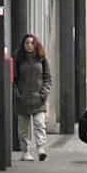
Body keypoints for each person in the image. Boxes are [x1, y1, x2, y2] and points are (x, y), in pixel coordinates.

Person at [13, 34, 53, 162]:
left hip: (38, 98)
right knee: (23, 128)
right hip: (23, 98)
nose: (29, 45)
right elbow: (13, 79)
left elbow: (48, 78)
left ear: (35, 44)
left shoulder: (41, 59)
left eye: (31, 43)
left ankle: (41, 149)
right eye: (27, 43)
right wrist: (17, 93)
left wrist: (44, 93)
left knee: (39, 124)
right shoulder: (18, 59)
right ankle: (26, 151)